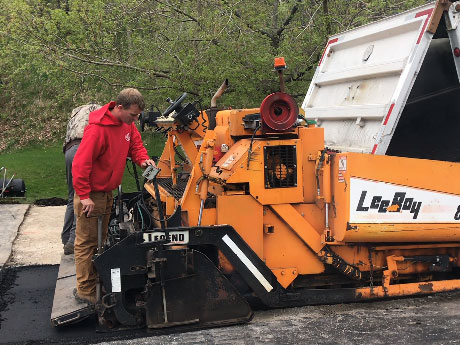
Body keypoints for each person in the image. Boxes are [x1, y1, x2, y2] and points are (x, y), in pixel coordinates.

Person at [72, 88, 155, 304]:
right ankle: (86, 291)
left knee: (101, 240)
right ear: (119, 107)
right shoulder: (97, 130)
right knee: (87, 242)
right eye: (133, 115)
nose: (135, 119)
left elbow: (136, 147)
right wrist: (84, 195)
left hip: (107, 191)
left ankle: (97, 278)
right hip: (92, 194)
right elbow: (81, 163)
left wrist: (144, 160)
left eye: (137, 116)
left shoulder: (127, 125)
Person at [62, 104, 101, 255]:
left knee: (71, 197)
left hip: (69, 150)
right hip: (82, 149)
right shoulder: (98, 111)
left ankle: (66, 238)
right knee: (83, 197)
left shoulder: (76, 112)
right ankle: (73, 241)